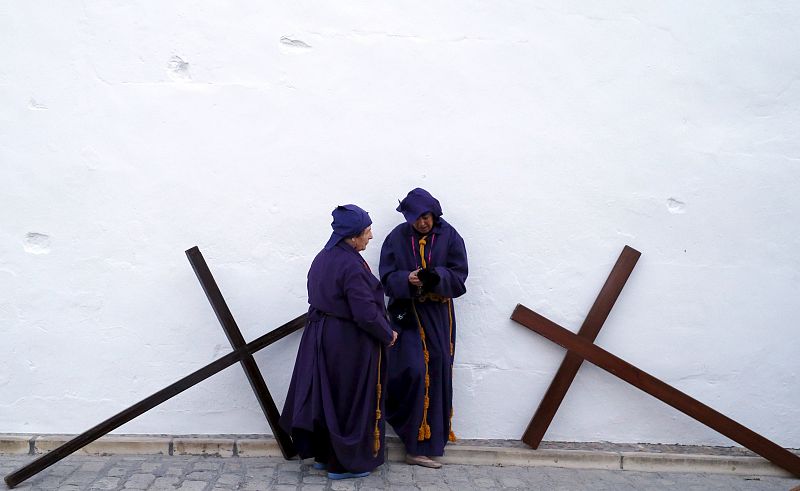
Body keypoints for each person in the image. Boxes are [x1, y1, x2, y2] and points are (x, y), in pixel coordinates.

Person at [280, 204, 398, 480]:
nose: (370, 236)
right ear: (353, 235)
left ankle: (325, 456)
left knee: (329, 398)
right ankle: (344, 464)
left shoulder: (323, 257)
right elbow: (365, 312)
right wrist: (387, 333)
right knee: (349, 401)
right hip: (348, 342)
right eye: (367, 231)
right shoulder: (351, 265)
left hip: (321, 336)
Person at [379, 188, 468, 469]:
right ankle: (412, 440)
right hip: (406, 316)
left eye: (426, 217)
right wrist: (408, 279)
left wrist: (435, 277)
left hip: (438, 316)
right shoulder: (396, 238)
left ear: (434, 214)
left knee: (437, 370)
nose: (422, 223)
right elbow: (386, 278)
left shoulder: (450, 236)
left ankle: (428, 444)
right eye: (416, 218)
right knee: (413, 371)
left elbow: (460, 276)